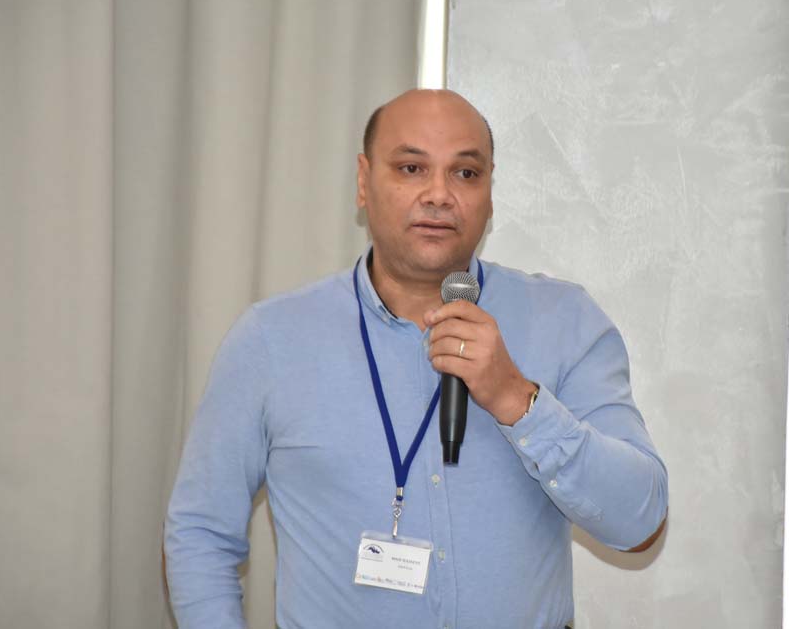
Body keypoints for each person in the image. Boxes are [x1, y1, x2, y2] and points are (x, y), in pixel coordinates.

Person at [164, 89, 668, 629]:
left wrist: (517, 399)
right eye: (411, 168)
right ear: (364, 181)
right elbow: (200, 534)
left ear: (490, 192)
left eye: (466, 174)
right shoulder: (271, 340)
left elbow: (639, 522)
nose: (439, 195)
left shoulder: (567, 322)